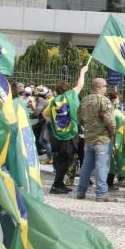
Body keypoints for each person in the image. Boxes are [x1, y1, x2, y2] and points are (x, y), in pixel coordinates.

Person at [43, 65, 88, 194]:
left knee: (62, 159)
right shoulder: (70, 96)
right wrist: (82, 72)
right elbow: (80, 85)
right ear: (67, 90)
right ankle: (56, 185)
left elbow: (47, 115)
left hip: (57, 134)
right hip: (69, 135)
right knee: (67, 160)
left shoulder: (54, 101)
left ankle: (60, 183)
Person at [76, 77, 117, 202]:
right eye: (105, 86)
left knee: (86, 166)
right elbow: (109, 120)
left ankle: (80, 192)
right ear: (99, 87)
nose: (106, 88)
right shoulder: (104, 101)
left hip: (89, 138)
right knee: (102, 166)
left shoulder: (84, 100)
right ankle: (101, 194)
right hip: (102, 139)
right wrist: (113, 133)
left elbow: (79, 119)